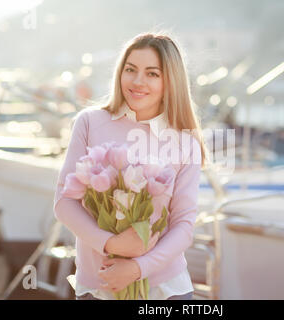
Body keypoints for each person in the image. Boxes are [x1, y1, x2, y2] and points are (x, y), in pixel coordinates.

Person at [53, 31, 208, 300]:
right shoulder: (89, 122)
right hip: (99, 285)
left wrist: (137, 268)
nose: (138, 81)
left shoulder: (186, 143)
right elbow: (64, 203)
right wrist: (111, 243)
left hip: (167, 290)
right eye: (131, 70)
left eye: (152, 74)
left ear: (171, 81)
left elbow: (183, 226)